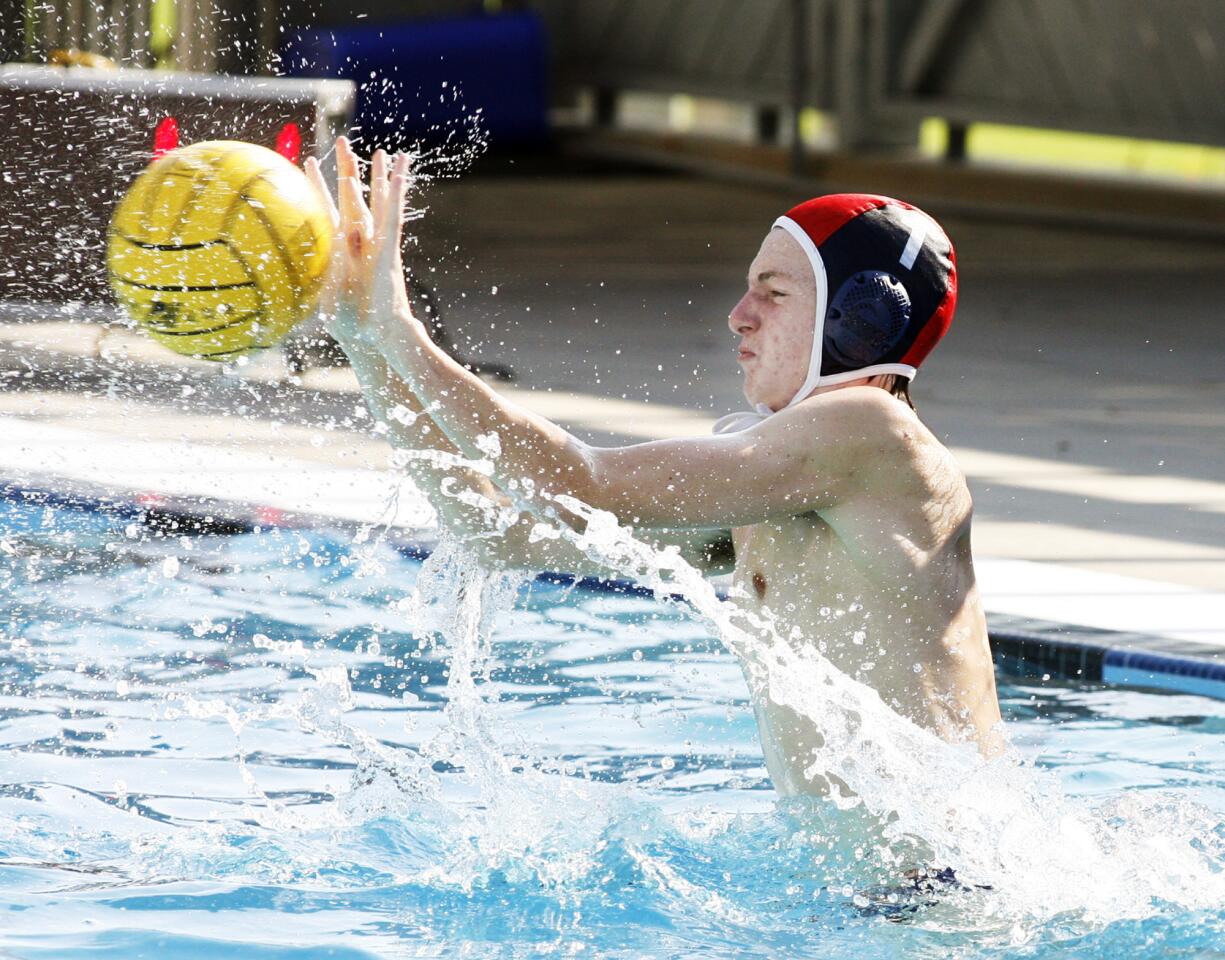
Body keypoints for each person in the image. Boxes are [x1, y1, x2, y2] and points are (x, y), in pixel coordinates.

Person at [304, 137, 1004, 797]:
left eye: (774, 293)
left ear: (861, 323)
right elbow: (499, 532)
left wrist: (405, 331)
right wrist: (366, 344)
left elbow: (581, 482)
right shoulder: (783, 487)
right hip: (868, 902)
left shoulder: (870, 431)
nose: (739, 316)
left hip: (936, 900)